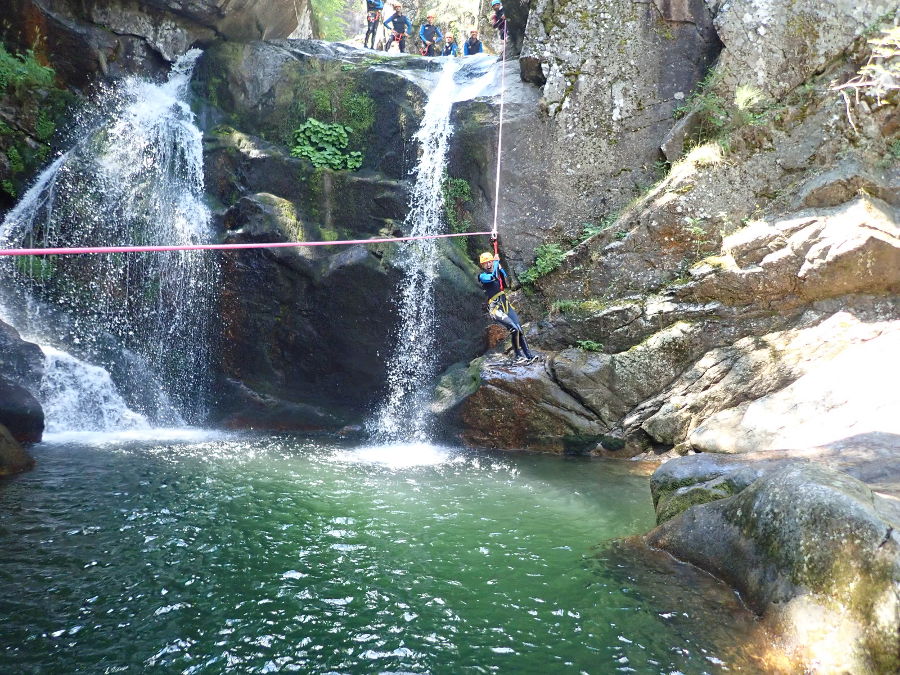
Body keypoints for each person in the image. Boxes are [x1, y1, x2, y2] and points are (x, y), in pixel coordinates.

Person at [478, 250, 537, 365]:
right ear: (483, 265)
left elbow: (505, 283)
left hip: (505, 305)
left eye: (490, 262)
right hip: (495, 308)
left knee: (519, 329)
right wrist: (495, 263)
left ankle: (529, 356)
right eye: (486, 263)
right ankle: (518, 356)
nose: (489, 264)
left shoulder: (495, 268)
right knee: (513, 328)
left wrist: (500, 267)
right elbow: (492, 277)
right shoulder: (482, 276)